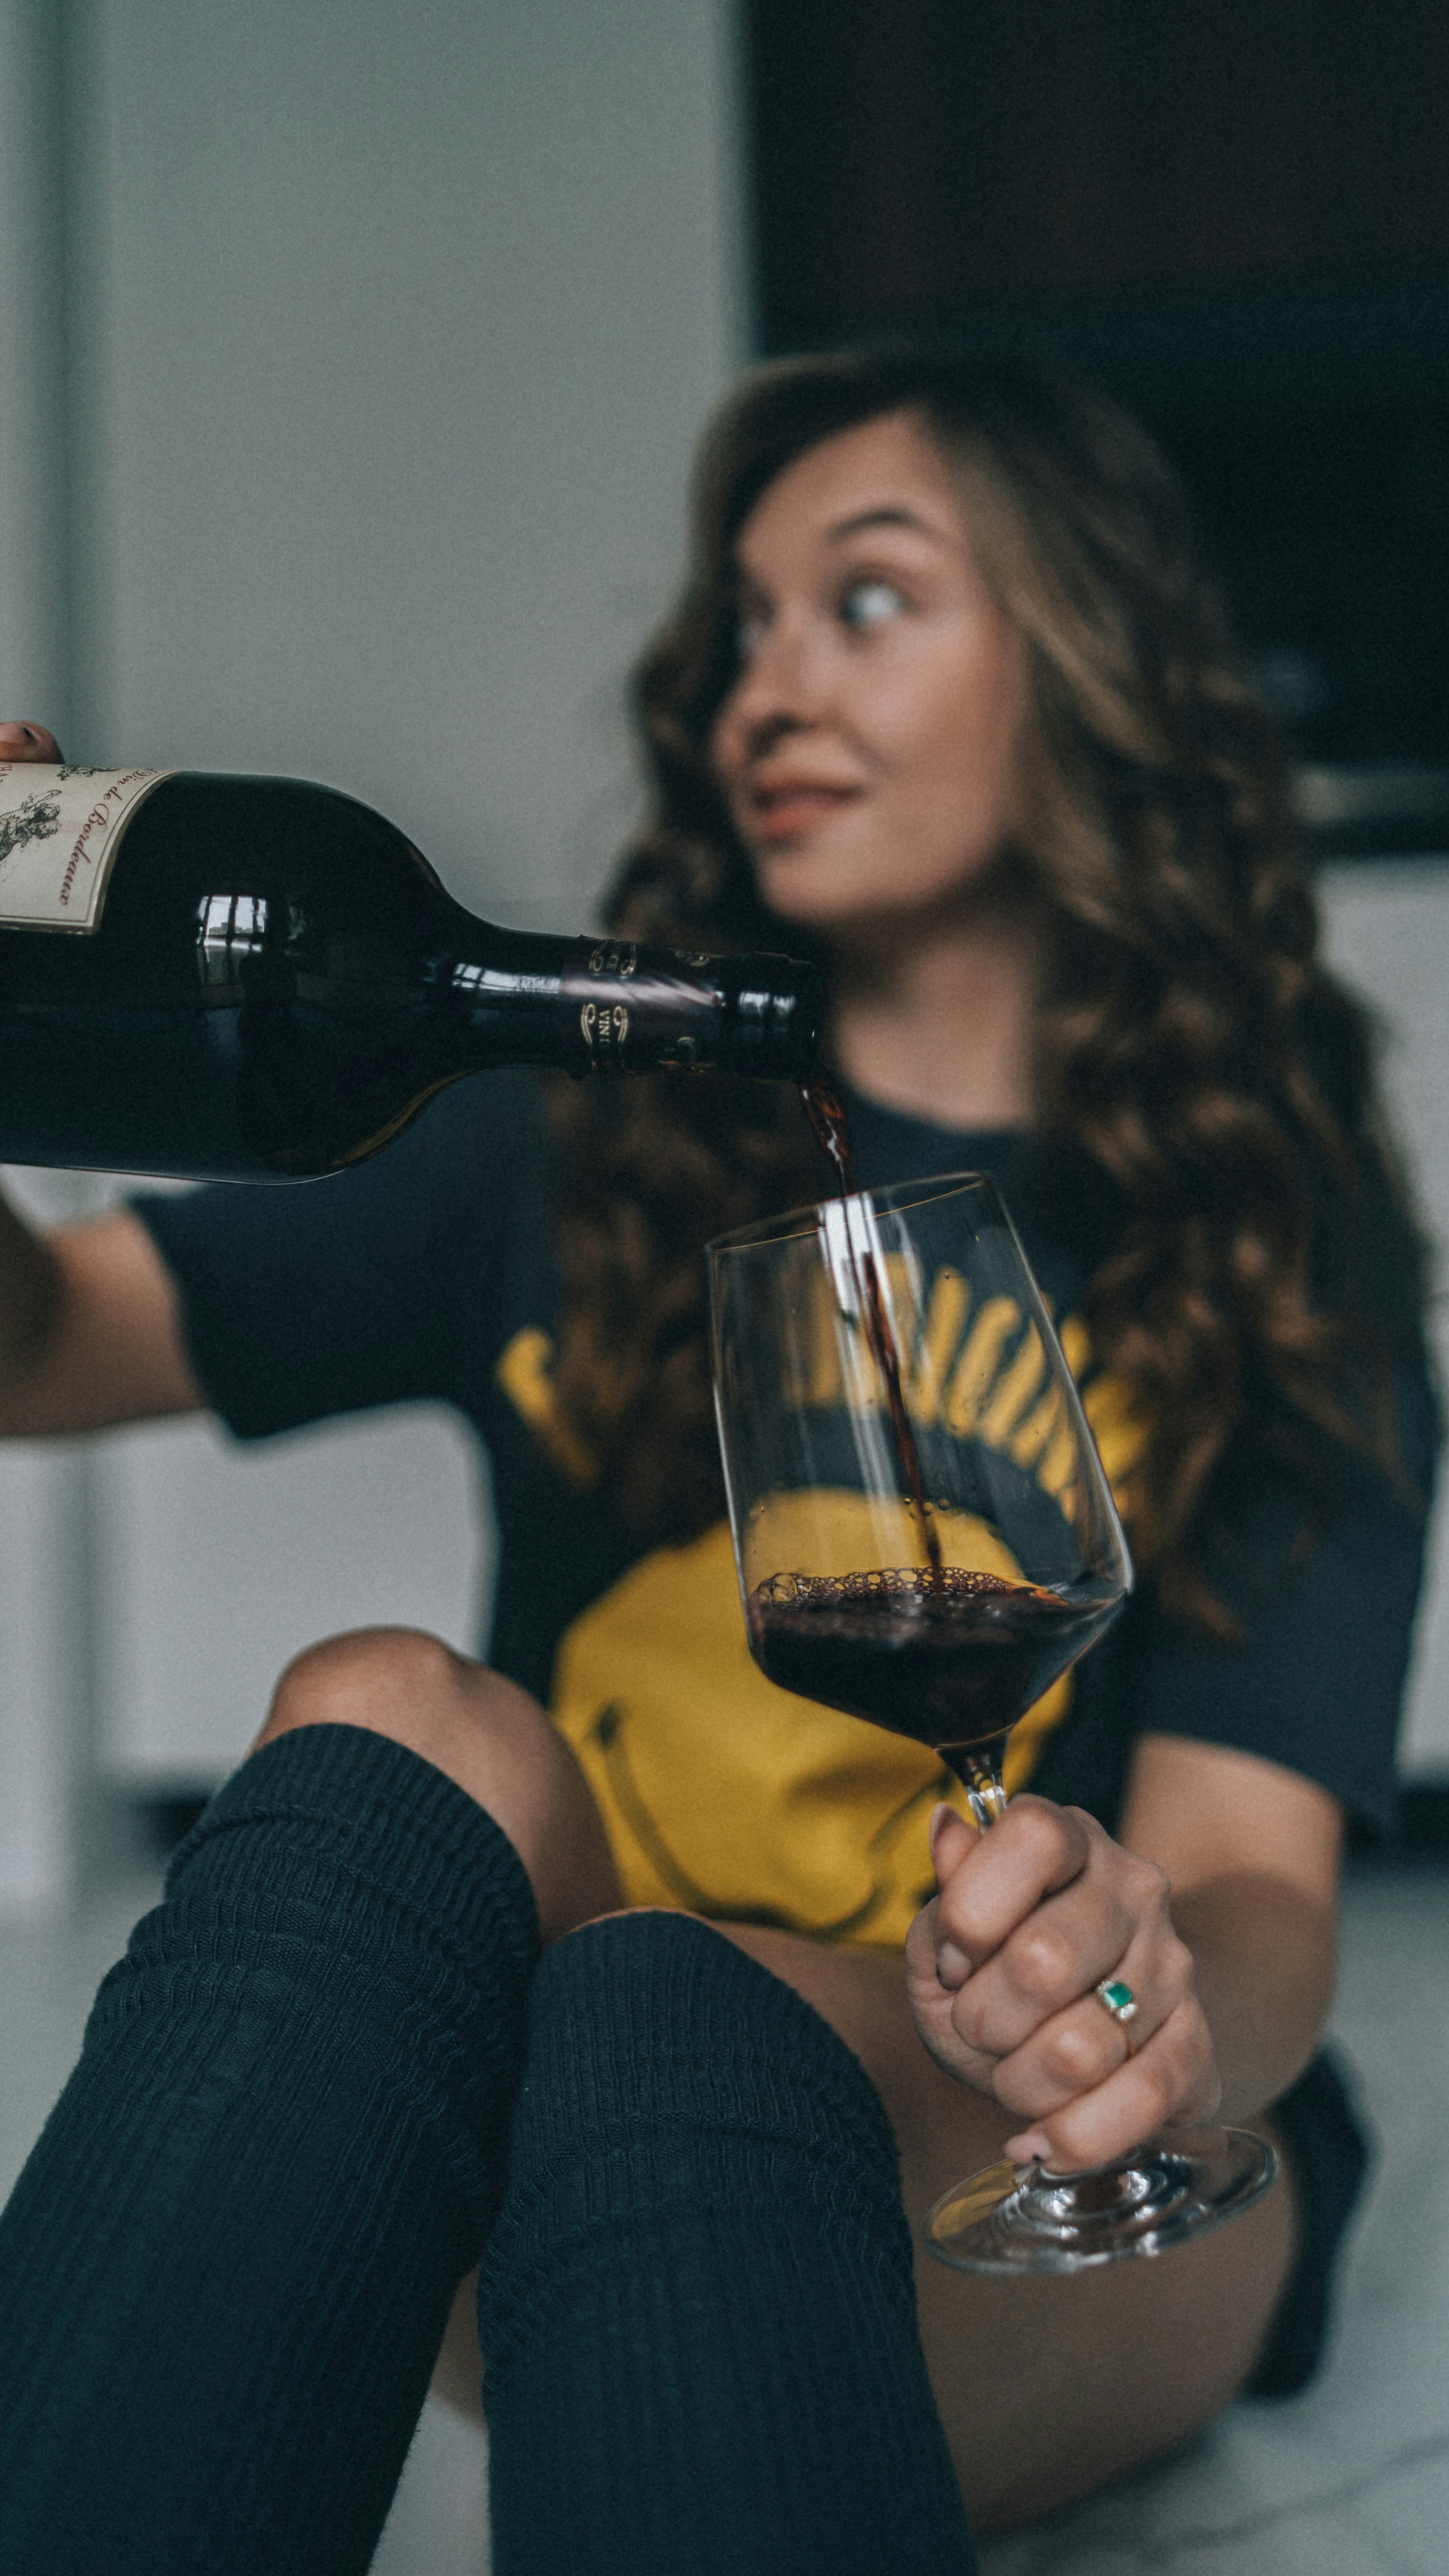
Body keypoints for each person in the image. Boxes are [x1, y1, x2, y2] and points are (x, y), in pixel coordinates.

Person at [0, 347, 1435, 2569]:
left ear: (1086, 657)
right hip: (597, 2045)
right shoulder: (571, 1135)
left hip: (1045, 2143)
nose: (767, 686)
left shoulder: (1266, 1222)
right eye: (745, 623)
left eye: (867, 600)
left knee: (680, 2000)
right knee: (387, 1713)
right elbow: (39, 1355)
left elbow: (1256, 1890)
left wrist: (1137, 2006)